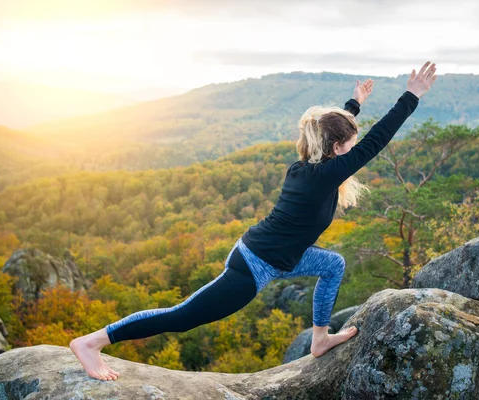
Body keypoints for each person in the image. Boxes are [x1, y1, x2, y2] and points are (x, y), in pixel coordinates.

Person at [70, 61, 438, 381]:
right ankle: (92, 342)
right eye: (348, 143)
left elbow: (339, 135)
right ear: (338, 150)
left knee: (333, 265)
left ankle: (320, 338)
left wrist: (354, 104)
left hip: (285, 258)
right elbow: (374, 141)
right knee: (182, 316)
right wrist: (411, 96)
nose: (352, 148)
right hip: (253, 267)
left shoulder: (315, 163)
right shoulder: (322, 176)